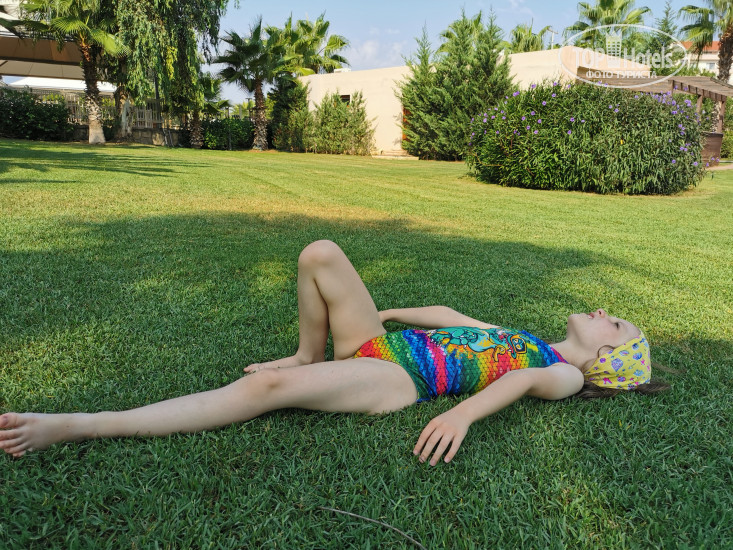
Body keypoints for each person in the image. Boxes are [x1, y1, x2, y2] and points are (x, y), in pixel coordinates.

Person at [0, 240, 667, 464]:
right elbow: (453, 319)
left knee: (262, 392)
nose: (602, 314)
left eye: (613, 325)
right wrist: (391, 312)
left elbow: (516, 386)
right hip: (383, 343)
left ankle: (79, 424)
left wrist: (463, 414)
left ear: (606, 360)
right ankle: (305, 354)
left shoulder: (560, 374)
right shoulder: (524, 340)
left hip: (397, 379)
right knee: (319, 254)